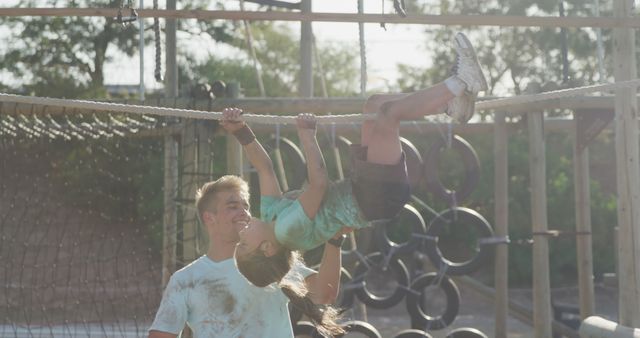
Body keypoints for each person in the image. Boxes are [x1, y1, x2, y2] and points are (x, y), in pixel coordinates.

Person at [225, 31, 488, 288]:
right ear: (268, 249)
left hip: (361, 189)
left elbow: (265, 168)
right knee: (387, 116)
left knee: (373, 106)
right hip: (374, 197)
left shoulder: (270, 215)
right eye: (244, 244)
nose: (241, 234)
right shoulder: (286, 232)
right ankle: (461, 82)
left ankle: (450, 104)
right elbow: (318, 185)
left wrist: (240, 131)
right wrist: (308, 137)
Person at [147, 174, 345, 337]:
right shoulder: (185, 280)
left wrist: (335, 240)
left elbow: (325, 293)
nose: (244, 212)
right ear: (210, 218)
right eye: (233, 207)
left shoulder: (269, 257)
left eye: (246, 206)